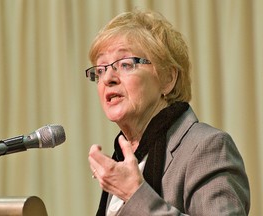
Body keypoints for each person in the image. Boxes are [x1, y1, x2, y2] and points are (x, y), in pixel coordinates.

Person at [86, 9, 250, 216]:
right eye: (100, 70)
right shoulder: (123, 162)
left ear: (167, 78)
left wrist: (136, 195)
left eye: (125, 64)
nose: (108, 77)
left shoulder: (208, 147)